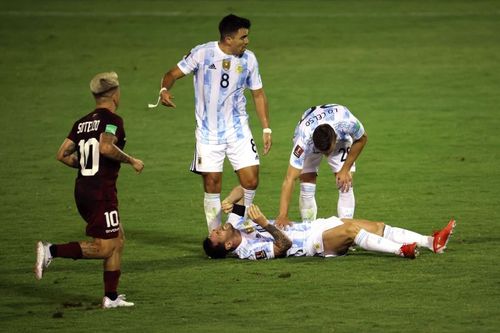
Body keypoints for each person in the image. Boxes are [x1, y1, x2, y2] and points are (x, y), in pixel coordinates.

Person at [34, 72, 144, 309]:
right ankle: (51, 250)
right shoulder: (113, 120)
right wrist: (132, 160)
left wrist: (84, 165)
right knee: (105, 247)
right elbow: (106, 147)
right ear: (115, 94)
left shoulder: (81, 122)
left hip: (84, 189)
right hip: (100, 192)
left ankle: (111, 297)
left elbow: (61, 154)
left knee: (118, 240)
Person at [157, 14, 271, 232]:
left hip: (238, 130)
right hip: (209, 134)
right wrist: (164, 90)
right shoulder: (203, 53)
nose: (247, 41)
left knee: (251, 181)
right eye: (243, 37)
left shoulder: (250, 59)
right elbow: (171, 73)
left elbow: (258, 94)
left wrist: (266, 127)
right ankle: (215, 235)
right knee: (212, 185)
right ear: (228, 39)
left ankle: (239, 223)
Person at [203, 186, 456, 260]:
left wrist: (230, 201)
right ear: (226, 247)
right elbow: (284, 245)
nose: (217, 228)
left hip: (314, 226)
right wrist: (264, 224)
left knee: (377, 226)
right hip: (313, 244)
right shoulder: (248, 251)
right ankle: (402, 251)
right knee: (351, 231)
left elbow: (243, 188)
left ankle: (431, 242)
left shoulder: (234, 226)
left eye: (215, 229)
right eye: (216, 234)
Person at [276, 103, 367, 227]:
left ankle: (346, 231)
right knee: (307, 183)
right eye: (322, 152)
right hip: (309, 135)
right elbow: (290, 179)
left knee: (345, 183)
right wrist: (283, 215)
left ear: (335, 138)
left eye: (328, 151)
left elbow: (362, 139)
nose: (325, 155)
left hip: (340, 138)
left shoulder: (346, 122)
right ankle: (309, 229)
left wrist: (345, 169)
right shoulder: (303, 140)